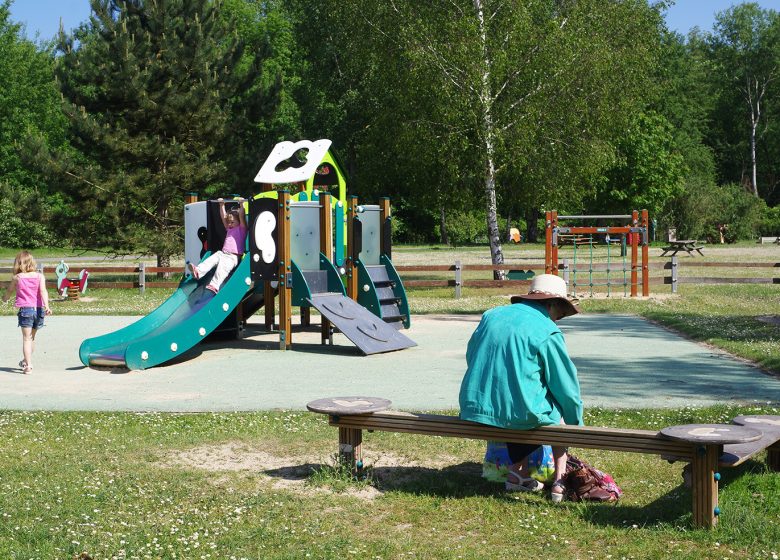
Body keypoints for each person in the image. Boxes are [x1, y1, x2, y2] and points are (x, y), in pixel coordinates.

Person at [459, 273, 583, 503]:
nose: (558, 320)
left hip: (474, 407)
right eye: (560, 314)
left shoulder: (491, 315)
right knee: (550, 411)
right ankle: (560, 481)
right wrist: (577, 424)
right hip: (517, 414)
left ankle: (519, 474)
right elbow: (566, 385)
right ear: (553, 304)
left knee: (517, 400)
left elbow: (472, 354)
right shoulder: (547, 329)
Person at [2, 251, 52, 374]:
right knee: (32, 338)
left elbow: (9, 291)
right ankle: (26, 360)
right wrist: (47, 306)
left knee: (26, 339)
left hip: (26, 310)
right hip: (39, 310)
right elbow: (43, 291)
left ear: (18, 264)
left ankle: (28, 365)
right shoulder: (40, 276)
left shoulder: (17, 278)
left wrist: (4, 299)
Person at [190, 198, 247, 294]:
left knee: (222, 269)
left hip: (233, 257)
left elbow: (241, 216)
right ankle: (198, 271)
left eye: (232, 222)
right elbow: (223, 217)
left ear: (238, 222)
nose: (229, 224)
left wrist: (241, 205)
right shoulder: (229, 228)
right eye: (229, 222)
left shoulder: (241, 229)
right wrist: (222, 205)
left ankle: (214, 285)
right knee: (212, 259)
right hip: (223, 253)